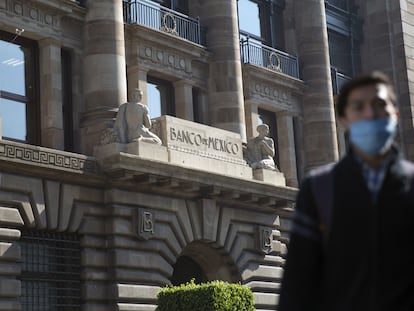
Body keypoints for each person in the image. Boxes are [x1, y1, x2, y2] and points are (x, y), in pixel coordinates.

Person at [278, 71, 414, 311]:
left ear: (395, 113)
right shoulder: (318, 188)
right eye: (358, 107)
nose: (370, 114)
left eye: (379, 104)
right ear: (343, 119)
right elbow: (297, 287)